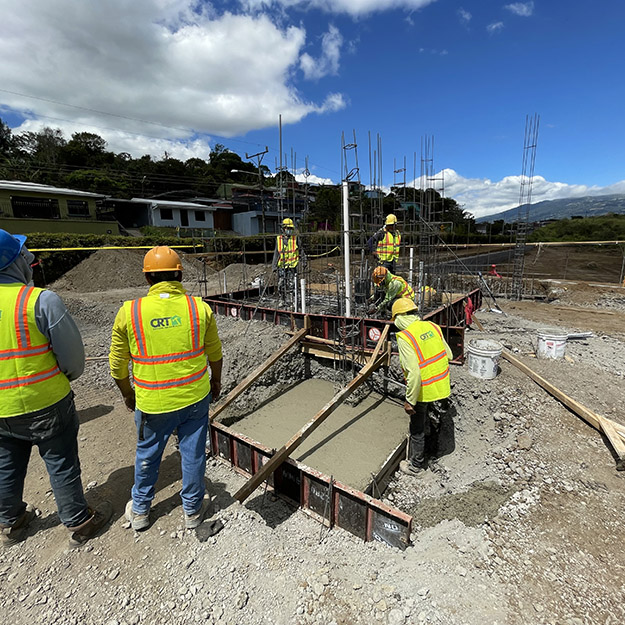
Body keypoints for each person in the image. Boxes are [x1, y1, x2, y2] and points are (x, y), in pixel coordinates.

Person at [0, 229, 112, 547]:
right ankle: (79, 521)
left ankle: (11, 521)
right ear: (13, 261)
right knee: (61, 462)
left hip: (1, 409)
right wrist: (66, 376)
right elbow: (73, 359)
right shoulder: (39, 301)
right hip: (46, 402)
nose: (29, 258)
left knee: (6, 462)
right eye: (23, 253)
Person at [109, 246, 223, 531]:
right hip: (195, 398)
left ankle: (140, 511)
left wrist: (127, 394)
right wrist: (216, 381)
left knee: (147, 454)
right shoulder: (199, 307)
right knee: (194, 454)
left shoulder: (129, 312)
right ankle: (193, 512)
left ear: (148, 279)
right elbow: (215, 353)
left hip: (153, 402)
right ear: (180, 275)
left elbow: (117, 366)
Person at [391, 297, 453, 476]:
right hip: (442, 385)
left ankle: (416, 466)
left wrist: (410, 400)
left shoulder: (405, 336)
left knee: (416, 428)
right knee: (425, 417)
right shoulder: (433, 326)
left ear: (399, 318)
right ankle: (430, 434)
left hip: (423, 389)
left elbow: (414, 373)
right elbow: (448, 354)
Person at [272, 218, 306, 307]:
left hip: (292, 266)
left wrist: (304, 260)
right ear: (283, 229)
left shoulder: (295, 239)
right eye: (288, 228)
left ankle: (294, 301)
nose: (289, 231)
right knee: (281, 284)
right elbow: (276, 253)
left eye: (291, 229)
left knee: (293, 285)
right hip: (282, 266)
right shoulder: (279, 239)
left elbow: (301, 250)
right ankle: (282, 300)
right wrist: (274, 266)